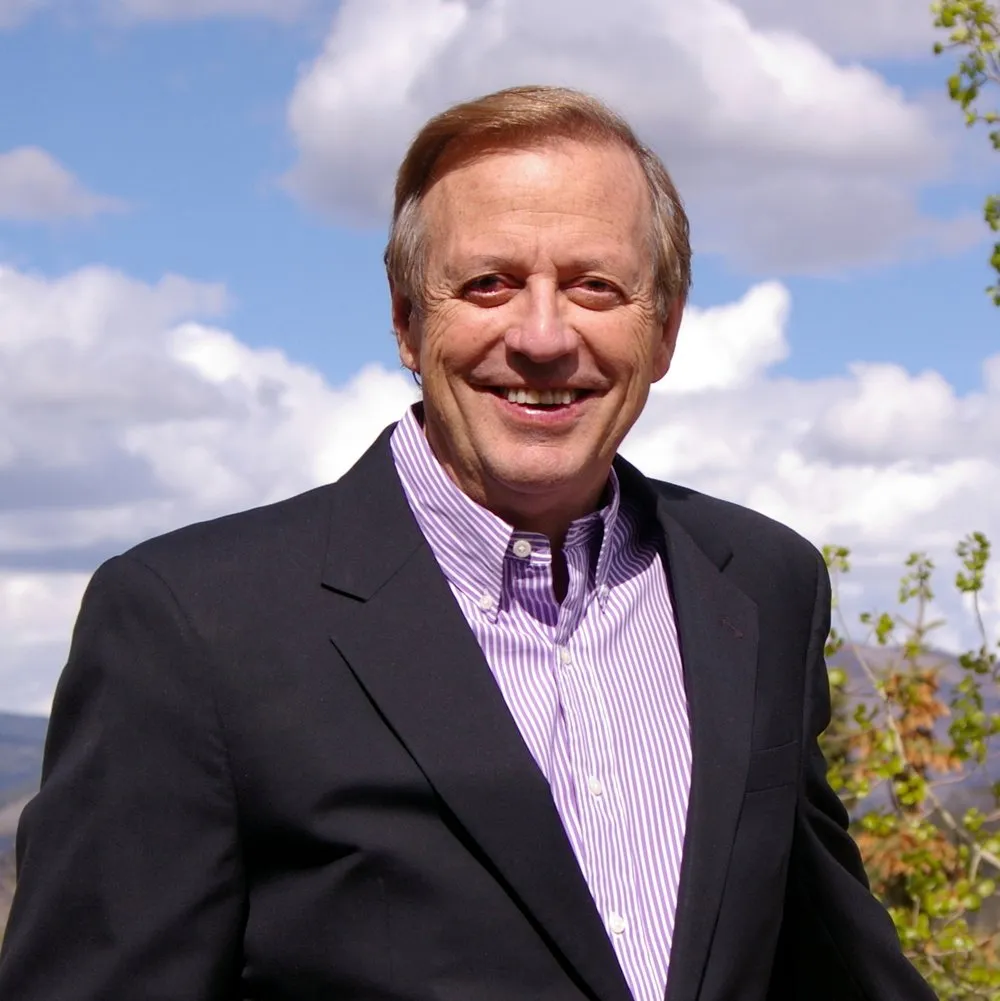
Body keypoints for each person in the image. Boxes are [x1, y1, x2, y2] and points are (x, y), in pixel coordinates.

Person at [0, 85, 936, 1001]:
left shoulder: (760, 584)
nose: (541, 335)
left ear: (665, 330)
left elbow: (827, 952)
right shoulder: (192, 622)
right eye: (488, 283)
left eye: (594, 285)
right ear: (408, 319)